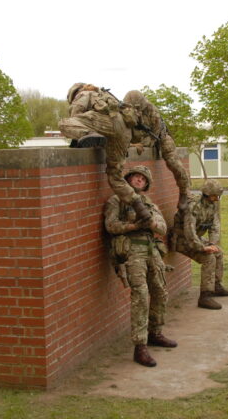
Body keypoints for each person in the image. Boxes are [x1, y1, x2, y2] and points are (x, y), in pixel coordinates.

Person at [104, 165, 177, 367]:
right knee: (141, 295)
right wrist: (133, 226)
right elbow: (110, 226)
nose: (139, 180)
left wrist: (150, 223)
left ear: (146, 184)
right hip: (132, 251)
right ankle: (140, 346)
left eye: (143, 179)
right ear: (128, 179)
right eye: (136, 177)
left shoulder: (149, 203)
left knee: (160, 291)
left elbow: (162, 227)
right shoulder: (117, 200)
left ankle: (155, 332)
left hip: (151, 250)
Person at [59, 83, 151, 221]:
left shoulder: (84, 93)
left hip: (108, 124)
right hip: (125, 132)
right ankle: (143, 211)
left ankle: (90, 134)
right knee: (115, 176)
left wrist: (82, 134)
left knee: (64, 123)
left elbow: (75, 116)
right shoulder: (106, 95)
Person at [170, 179, 228, 310]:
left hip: (195, 238)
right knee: (208, 258)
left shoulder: (212, 205)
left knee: (218, 252)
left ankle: (216, 285)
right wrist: (203, 248)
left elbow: (215, 226)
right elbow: (189, 231)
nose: (217, 199)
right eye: (215, 196)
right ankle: (205, 296)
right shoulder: (193, 206)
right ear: (207, 194)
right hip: (182, 240)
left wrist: (212, 244)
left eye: (218, 196)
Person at [122, 90, 191, 210]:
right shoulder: (123, 111)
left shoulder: (152, 111)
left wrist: (142, 143)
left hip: (158, 136)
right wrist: (132, 145)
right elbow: (122, 133)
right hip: (136, 137)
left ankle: (184, 192)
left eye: (137, 108)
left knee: (174, 162)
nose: (135, 111)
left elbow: (153, 136)